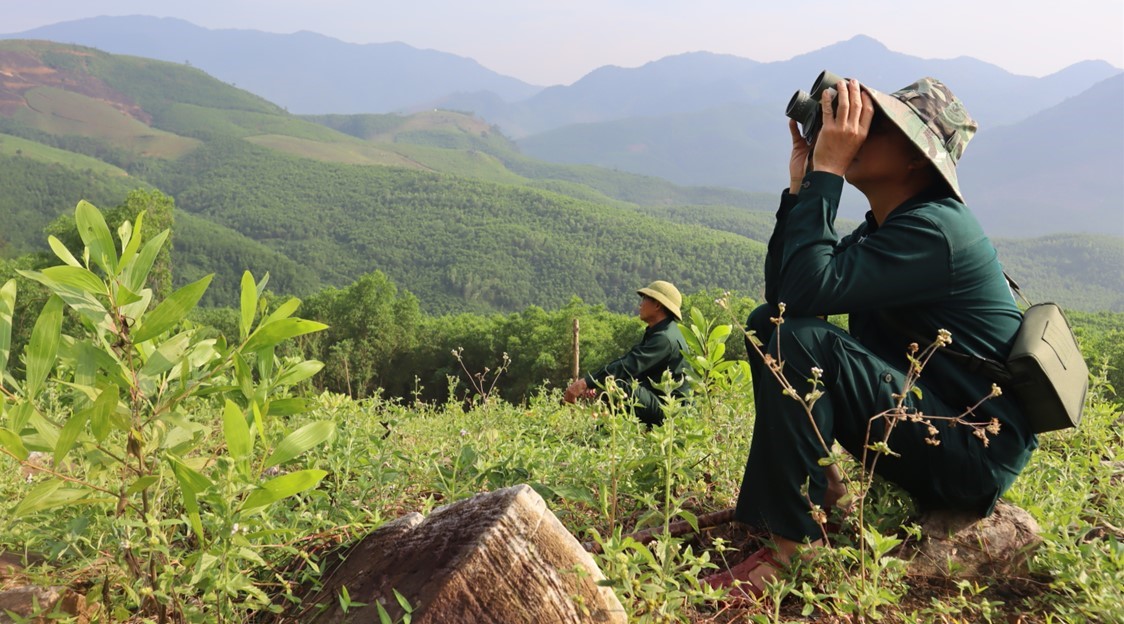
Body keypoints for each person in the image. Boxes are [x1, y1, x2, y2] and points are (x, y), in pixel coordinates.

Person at [704, 77, 1038, 597]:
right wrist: (801, 189)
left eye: (873, 125)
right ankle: (825, 498)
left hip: (972, 454)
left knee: (798, 341)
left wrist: (829, 171)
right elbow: (787, 298)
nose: (852, 131)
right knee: (771, 321)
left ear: (915, 160)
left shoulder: (935, 230)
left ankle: (793, 551)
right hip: (932, 428)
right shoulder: (886, 226)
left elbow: (804, 293)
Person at [564, 281, 688, 426]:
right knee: (615, 384)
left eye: (644, 299)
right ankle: (605, 434)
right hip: (661, 402)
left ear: (657, 305)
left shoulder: (664, 339)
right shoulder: (661, 331)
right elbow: (633, 365)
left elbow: (629, 365)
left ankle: (605, 436)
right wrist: (597, 384)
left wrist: (586, 382)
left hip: (670, 411)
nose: (640, 305)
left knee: (619, 387)